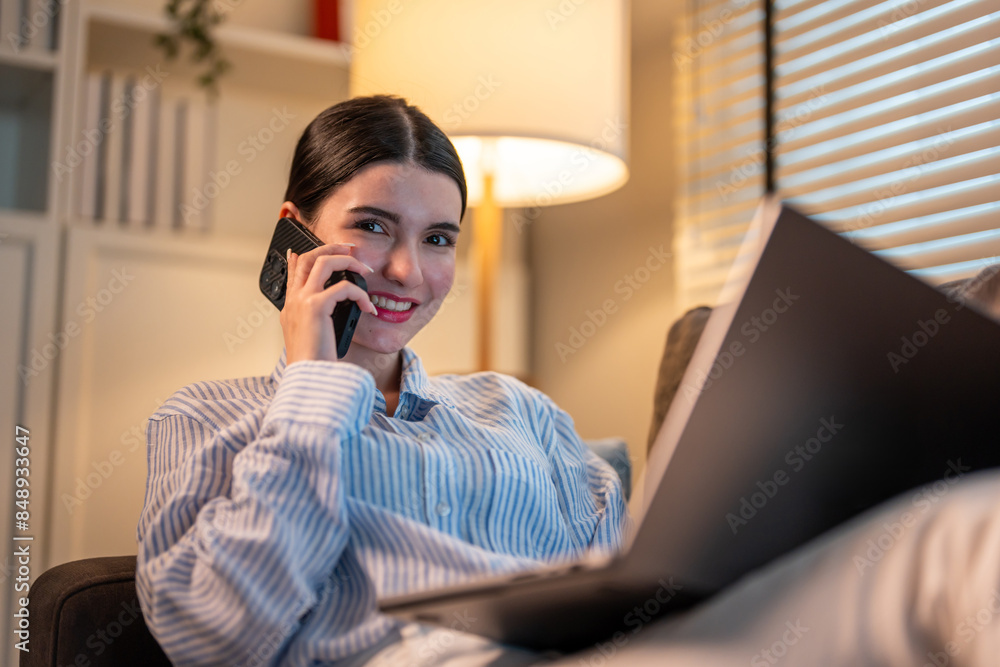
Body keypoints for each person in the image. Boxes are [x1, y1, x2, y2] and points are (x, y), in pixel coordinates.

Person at [135, 94, 629, 666]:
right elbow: (213, 640)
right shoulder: (206, 419)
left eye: (438, 238)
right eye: (373, 226)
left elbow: (626, 597)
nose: (408, 272)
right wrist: (313, 389)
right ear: (294, 235)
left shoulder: (524, 412)